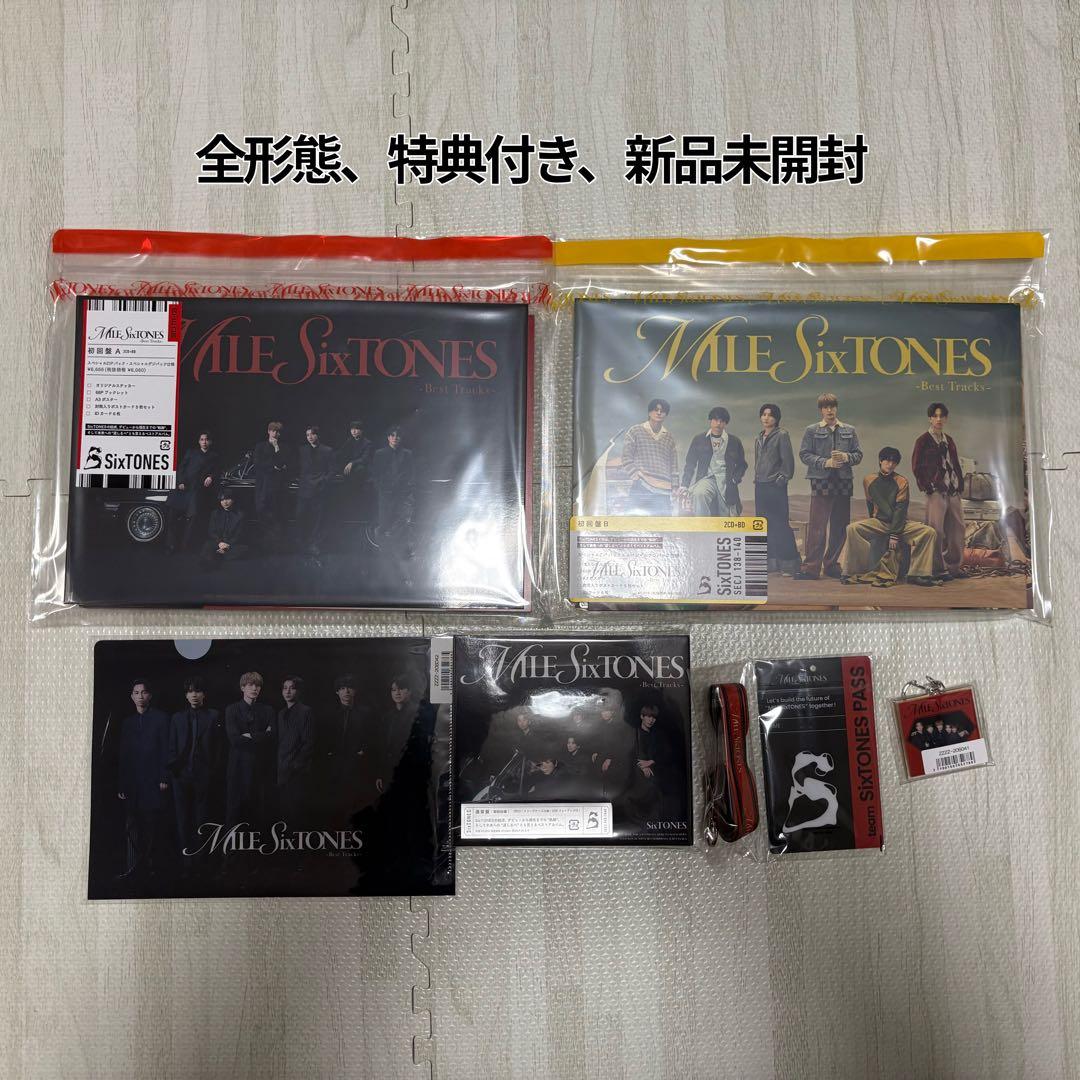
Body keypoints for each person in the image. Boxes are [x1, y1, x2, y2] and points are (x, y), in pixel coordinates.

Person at [841, 447, 943, 587]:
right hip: (879, 522)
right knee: (852, 528)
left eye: (894, 462)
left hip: (900, 523)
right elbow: (870, 504)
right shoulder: (868, 480)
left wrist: (894, 534)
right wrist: (874, 523)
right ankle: (854, 571)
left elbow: (900, 510)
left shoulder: (902, 481)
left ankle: (918, 574)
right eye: (887, 461)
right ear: (880, 461)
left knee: (929, 532)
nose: (890, 465)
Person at [796, 393, 863, 580]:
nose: (829, 410)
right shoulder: (811, 430)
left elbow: (858, 455)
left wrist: (846, 457)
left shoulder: (850, 430)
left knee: (840, 526)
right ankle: (811, 568)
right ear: (821, 410)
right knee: (817, 526)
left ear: (836, 408)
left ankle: (831, 565)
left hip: (843, 482)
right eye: (825, 407)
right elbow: (804, 454)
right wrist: (826, 462)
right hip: (821, 481)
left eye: (832, 406)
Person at [116, 678, 170, 879]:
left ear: (150, 695)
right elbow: (124, 756)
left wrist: (164, 777)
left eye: (144, 692)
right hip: (133, 783)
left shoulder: (161, 718)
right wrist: (122, 784)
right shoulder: (127, 723)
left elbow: (166, 749)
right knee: (133, 825)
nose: (140, 696)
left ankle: (151, 867)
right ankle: (134, 867)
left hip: (154, 781)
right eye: (136, 693)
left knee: (152, 825)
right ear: (132, 696)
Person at [167, 677, 221, 868]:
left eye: (197, 691)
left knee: (202, 819)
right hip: (181, 776)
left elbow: (219, 748)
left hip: (203, 775)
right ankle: (185, 862)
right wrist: (174, 770)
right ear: (186, 695)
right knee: (182, 820)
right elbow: (171, 747)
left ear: (204, 694)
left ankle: (200, 862)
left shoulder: (214, 715)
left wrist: (212, 771)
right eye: (190, 691)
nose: (194, 695)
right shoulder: (177, 718)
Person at [911, 403, 966, 579]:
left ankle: (954, 567)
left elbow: (955, 464)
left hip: (953, 491)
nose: (939, 419)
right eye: (935, 416)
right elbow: (916, 466)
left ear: (946, 419)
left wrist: (960, 485)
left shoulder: (949, 440)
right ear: (930, 418)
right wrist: (928, 486)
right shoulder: (923, 440)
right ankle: (937, 568)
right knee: (936, 531)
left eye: (942, 416)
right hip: (936, 492)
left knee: (957, 529)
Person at [224, 672, 276, 830]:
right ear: (242, 688)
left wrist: (249, 735)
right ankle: (232, 844)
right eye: (250, 685)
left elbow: (272, 736)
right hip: (238, 767)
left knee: (259, 811)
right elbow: (234, 739)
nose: (254, 688)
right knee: (234, 811)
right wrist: (262, 735)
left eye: (257, 685)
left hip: (260, 767)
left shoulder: (268, 710)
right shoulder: (232, 709)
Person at [753, 403, 800, 573]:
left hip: (775, 486)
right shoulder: (758, 437)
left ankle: (789, 562)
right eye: (764, 414)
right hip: (760, 485)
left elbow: (788, 463)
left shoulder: (782, 435)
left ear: (776, 418)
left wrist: (780, 480)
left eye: (770, 415)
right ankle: (771, 563)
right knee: (764, 524)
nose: (766, 418)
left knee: (780, 524)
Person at [319, 674, 372, 823]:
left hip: (357, 763)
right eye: (342, 688)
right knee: (336, 800)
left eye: (349, 688)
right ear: (337, 692)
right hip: (335, 763)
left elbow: (373, 737)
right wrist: (329, 753)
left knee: (355, 800)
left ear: (355, 691)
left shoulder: (366, 713)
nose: (346, 691)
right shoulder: (329, 713)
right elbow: (323, 738)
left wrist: (363, 751)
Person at [680, 406, 747, 516]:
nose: (718, 423)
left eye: (722, 421)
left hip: (726, 481)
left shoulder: (734, 441)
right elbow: (690, 464)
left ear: (725, 423)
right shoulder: (699, 439)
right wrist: (684, 484)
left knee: (728, 516)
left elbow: (742, 464)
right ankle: (702, 525)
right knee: (699, 493)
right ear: (710, 420)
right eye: (715, 420)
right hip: (706, 479)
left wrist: (734, 479)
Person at [620, 399, 680, 515]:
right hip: (641, 485)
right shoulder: (635, 431)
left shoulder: (669, 437)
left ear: (666, 414)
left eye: (662, 411)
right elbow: (626, 457)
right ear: (649, 412)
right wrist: (635, 475)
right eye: (655, 409)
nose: (659, 412)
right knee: (633, 522)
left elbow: (674, 466)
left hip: (663, 489)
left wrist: (675, 487)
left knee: (662, 524)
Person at [167, 431, 220, 553]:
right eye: (202, 439)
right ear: (199, 441)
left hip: (196, 490)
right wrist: (181, 481)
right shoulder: (191, 452)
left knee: (192, 518)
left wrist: (211, 477)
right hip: (182, 488)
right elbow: (182, 467)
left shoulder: (214, 456)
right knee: (172, 517)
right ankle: (170, 546)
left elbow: (217, 470)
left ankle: (185, 547)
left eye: (207, 439)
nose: (204, 442)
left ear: (210, 442)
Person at [374, 672, 422, 797]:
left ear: (409, 691)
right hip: (390, 773)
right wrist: (380, 774)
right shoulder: (388, 717)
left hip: (412, 772)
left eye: (401, 688)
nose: (397, 693)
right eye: (394, 690)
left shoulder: (418, 713)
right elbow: (384, 748)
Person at [370, 426, 416, 556]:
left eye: (398, 436)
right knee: (385, 522)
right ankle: (383, 546)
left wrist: (408, 489)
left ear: (401, 438)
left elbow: (411, 473)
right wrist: (381, 488)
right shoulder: (380, 454)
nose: (395, 438)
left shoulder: (407, 454)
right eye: (392, 435)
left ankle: (404, 549)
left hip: (402, 494)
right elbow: (375, 474)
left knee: (404, 520)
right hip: (386, 493)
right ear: (388, 438)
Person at [277, 676, 315, 827]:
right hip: (282, 769)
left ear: (298, 691)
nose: (287, 691)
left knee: (296, 811)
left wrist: (295, 765)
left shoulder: (306, 711)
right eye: (285, 688)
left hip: (297, 770)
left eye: (292, 688)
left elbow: (309, 742)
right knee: (284, 809)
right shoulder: (281, 713)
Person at [253, 420, 291, 550]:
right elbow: (257, 464)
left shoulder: (284, 447)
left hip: (278, 487)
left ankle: (275, 545)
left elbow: (282, 463)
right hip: (263, 486)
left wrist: (276, 448)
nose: (275, 433)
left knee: (277, 515)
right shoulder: (260, 446)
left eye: (278, 432)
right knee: (262, 512)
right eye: (273, 431)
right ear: (268, 431)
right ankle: (265, 544)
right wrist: (273, 467)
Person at [200, 489, 248, 567]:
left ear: (233, 500)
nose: (225, 502)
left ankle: (219, 556)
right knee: (207, 545)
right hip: (218, 542)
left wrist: (227, 545)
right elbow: (211, 531)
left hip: (232, 544)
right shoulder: (215, 513)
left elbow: (239, 534)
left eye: (227, 499)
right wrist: (220, 543)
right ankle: (219, 556)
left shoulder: (240, 515)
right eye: (222, 500)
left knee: (244, 549)